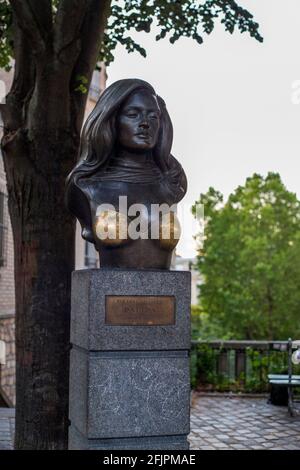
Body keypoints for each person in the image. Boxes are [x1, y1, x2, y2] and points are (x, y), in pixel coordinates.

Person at [65, 78, 187, 269]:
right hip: (109, 293)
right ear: (112, 120)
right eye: (133, 114)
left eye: (153, 116)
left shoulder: (172, 183)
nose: (145, 123)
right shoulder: (85, 186)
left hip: (164, 295)